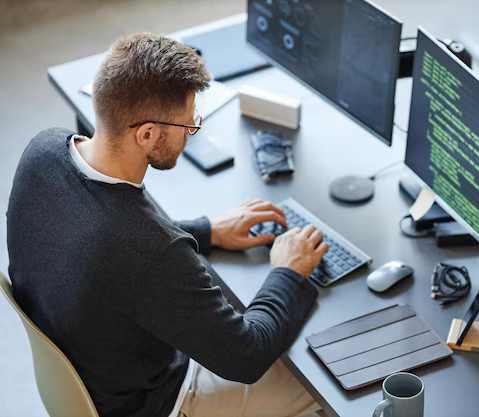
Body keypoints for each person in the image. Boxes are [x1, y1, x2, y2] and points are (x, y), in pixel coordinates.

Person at [6, 33, 329, 417]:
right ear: (146, 134)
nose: (190, 132)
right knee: (322, 382)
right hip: (157, 403)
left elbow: (99, 234)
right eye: (187, 126)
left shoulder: (42, 151)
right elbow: (247, 356)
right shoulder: (150, 251)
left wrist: (207, 230)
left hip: (97, 374)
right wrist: (288, 273)